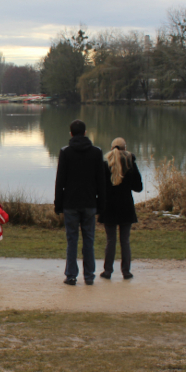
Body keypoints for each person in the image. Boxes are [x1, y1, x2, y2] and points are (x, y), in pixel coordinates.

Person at [54, 120, 106, 286]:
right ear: (85, 133)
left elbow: (60, 180)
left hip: (70, 203)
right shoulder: (97, 152)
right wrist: (102, 203)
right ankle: (89, 276)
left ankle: (71, 275)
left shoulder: (65, 152)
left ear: (71, 133)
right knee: (89, 240)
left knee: (72, 241)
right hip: (90, 202)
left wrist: (58, 203)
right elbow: (101, 181)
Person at [98, 138, 143, 280]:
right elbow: (138, 187)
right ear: (125, 149)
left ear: (111, 149)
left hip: (109, 207)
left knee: (110, 240)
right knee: (125, 241)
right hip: (126, 206)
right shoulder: (130, 165)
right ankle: (126, 271)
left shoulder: (105, 165)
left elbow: (99, 187)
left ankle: (107, 271)